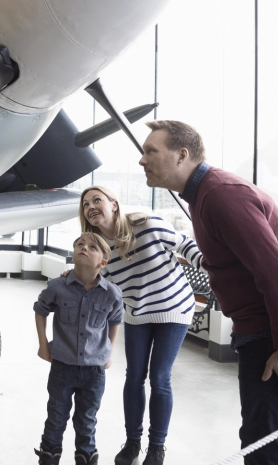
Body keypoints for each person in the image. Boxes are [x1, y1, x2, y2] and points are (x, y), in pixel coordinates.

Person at [138, 120, 278, 465]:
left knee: (262, 440)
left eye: (150, 151)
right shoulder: (204, 195)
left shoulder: (220, 195)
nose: (142, 160)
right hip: (265, 327)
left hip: (276, 331)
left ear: (181, 155)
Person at [77, 185, 203, 465]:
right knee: (134, 376)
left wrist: (213, 267)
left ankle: (156, 447)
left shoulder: (146, 225)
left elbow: (184, 244)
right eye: (85, 204)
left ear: (114, 204)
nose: (91, 207)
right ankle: (133, 442)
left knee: (160, 377)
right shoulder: (98, 248)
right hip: (137, 311)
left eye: (97, 200)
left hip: (174, 307)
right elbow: (93, 280)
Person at [34, 232, 124, 465]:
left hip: (95, 371)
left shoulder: (112, 294)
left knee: (86, 420)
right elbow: (40, 310)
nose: (84, 248)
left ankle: (86, 458)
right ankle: (48, 458)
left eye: (92, 247)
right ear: (73, 254)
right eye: (79, 245)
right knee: (56, 416)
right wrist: (43, 345)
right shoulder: (57, 286)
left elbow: (115, 321)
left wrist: (109, 352)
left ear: (103, 263)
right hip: (62, 366)